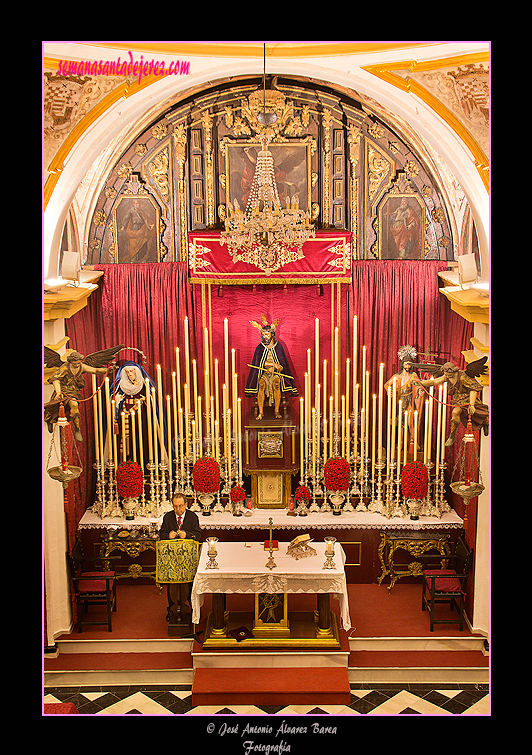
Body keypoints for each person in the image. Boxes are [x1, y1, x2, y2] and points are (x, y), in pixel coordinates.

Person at [159, 494, 202, 621]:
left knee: (188, 584)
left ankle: (190, 607)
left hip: (188, 558)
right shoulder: (168, 517)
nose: (178, 510)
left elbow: (198, 534)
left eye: (181, 506)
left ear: (186, 505)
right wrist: (168, 535)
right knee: (172, 583)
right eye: (175, 506)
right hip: (172, 558)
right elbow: (162, 534)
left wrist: (187, 534)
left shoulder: (192, 517)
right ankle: (172, 609)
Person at [245, 316, 297, 419]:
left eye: (267, 334)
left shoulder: (278, 346)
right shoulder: (260, 347)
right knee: (261, 386)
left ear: (272, 334)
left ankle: (277, 411)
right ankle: (261, 412)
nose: (265, 336)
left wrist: (274, 366)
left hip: (276, 374)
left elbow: (283, 366)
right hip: (264, 374)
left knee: (277, 385)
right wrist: (266, 367)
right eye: (263, 334)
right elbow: (257, 365)